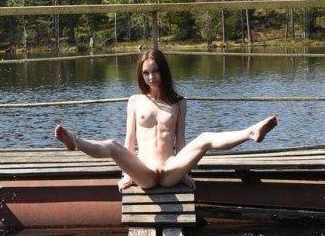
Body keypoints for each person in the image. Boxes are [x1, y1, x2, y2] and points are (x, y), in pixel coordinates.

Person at [54, 48, 276, 190]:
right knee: (112, 145)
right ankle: (76, 141)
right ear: (141, 75)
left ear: (164, 71)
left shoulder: (179, 103)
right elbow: (129, 141)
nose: (151, 77)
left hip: (170, 170)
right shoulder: (135, 101)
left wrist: (184, 173)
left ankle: (251, 132)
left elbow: (181, 141)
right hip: (144, 171)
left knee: (205, 138)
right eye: (146, 73)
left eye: (155, 71)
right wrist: (127, 174)